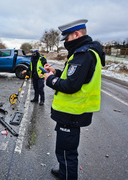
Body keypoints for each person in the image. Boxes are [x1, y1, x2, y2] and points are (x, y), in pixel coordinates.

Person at [43, 19, 105, 180]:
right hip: (71, 113)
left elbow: (71, 85)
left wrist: (49, 79)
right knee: (65, 150)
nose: (66, 43)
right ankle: (65, 171)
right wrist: (56, 72)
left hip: (71, 113)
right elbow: (73, 76)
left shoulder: (83, 54)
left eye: (67, 39)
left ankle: (67, 174)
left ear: (76, 34)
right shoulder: (85, 52)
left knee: (66, 152)